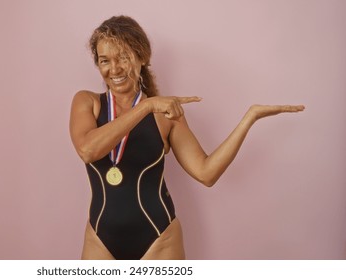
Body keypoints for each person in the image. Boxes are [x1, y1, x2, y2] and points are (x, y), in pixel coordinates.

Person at [69, 15, 304, 260]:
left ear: (142, 58)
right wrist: (146, 107)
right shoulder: (88, 102)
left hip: (159, 240)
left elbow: (206, 173)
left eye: (124, 57)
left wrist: (249, 118)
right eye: (105, 60)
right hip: (100, 240)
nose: (114, 69)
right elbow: (88, 150)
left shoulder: (166, 115)